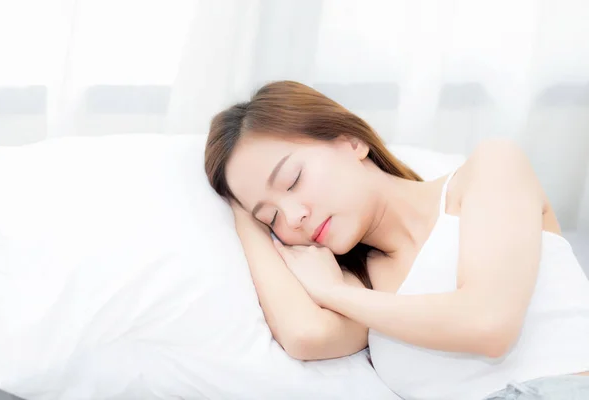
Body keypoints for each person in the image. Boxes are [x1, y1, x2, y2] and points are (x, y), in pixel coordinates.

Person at [203, 80, 589, 399]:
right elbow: (307, 335)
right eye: (272, 217)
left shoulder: (487, 171)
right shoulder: (362, 285)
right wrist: (240, 208)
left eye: (292, 180)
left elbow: (488, 324)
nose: (292, 217)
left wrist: (333, 294)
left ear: (351, 141)